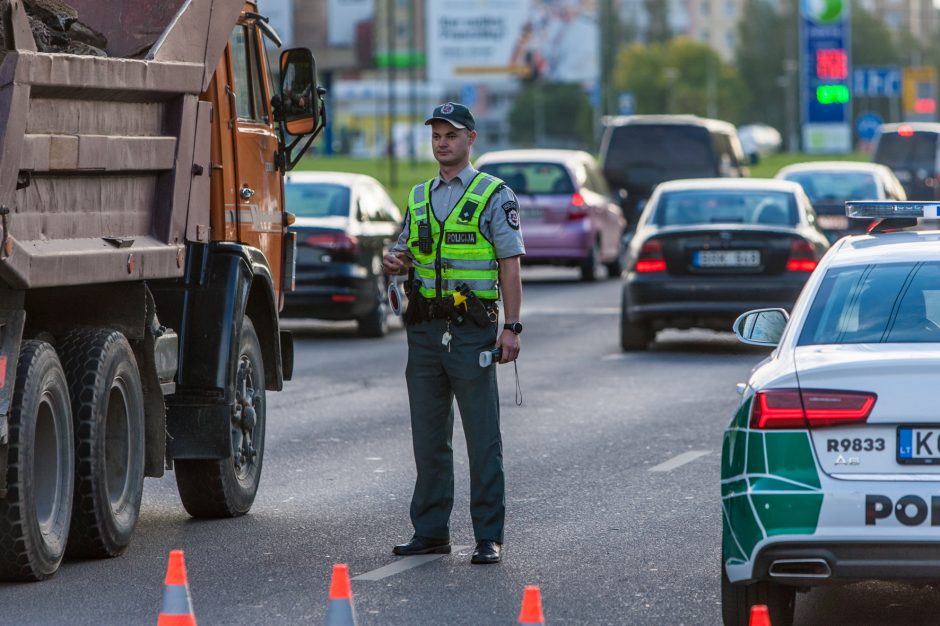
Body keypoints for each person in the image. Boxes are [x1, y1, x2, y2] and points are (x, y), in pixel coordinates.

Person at [382, 102, 525, 565]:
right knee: (428, 438)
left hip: (472, 332)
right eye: (437, 135)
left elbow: (510, 265)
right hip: (424, 333)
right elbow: (404, 250)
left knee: (482, 439)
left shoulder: (493, 195)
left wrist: (512, 328)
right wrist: (394, 260)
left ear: (470, 140)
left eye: (451, 134)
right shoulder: (420, 195)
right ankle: (430, 531)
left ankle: (488, 535)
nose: (442, 142)